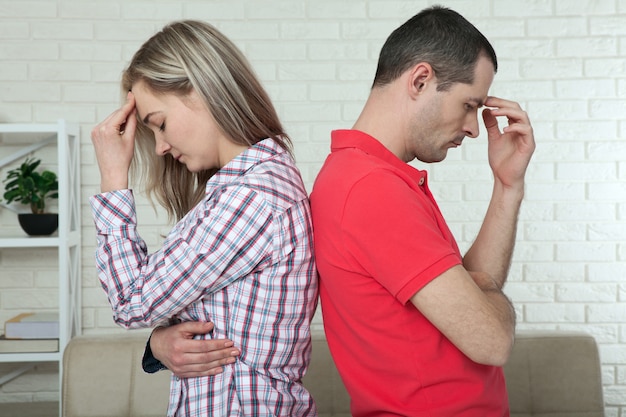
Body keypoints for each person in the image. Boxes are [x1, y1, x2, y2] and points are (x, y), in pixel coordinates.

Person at [309, 6, 535, 417]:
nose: (472, 127)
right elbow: (492, 341)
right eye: (469, 105)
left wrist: (508, 186)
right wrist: (490, 302)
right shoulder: (371, 190)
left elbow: (474, 291)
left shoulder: (375, 178)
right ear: (420, 80)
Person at [89, 20, 318, 417]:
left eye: (159, 124)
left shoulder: (251, 198)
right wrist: (159, 343)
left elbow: (131, 300)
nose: (159, 147)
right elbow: (196, 311)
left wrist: (113, 177)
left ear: (201, 89)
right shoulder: (251, 187)